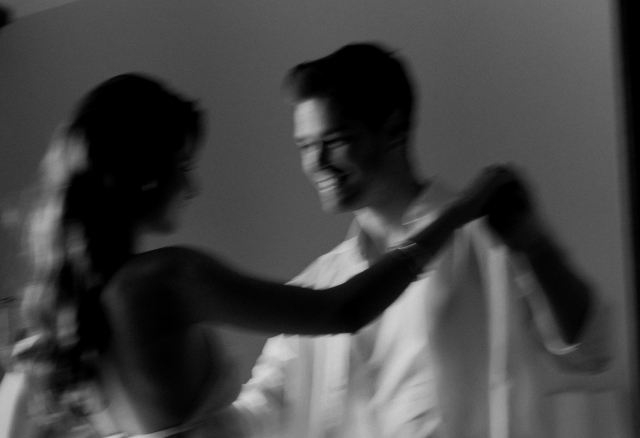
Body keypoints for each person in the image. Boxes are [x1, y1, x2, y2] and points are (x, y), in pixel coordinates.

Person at [0, 73, 513, 438]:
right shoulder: (166, 278)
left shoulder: (71, 312)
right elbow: (341, 310)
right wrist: (455, 214)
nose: (192, 187)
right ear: (147, 177)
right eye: (183, 166)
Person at [227, 43, 612, 438]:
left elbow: (591, 350)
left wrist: (537, 247)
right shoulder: (318, 286)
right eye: (305, 145)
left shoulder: (491, 241)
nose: (316, 163)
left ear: (394, 128)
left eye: (335, 140)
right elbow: (258, 410)